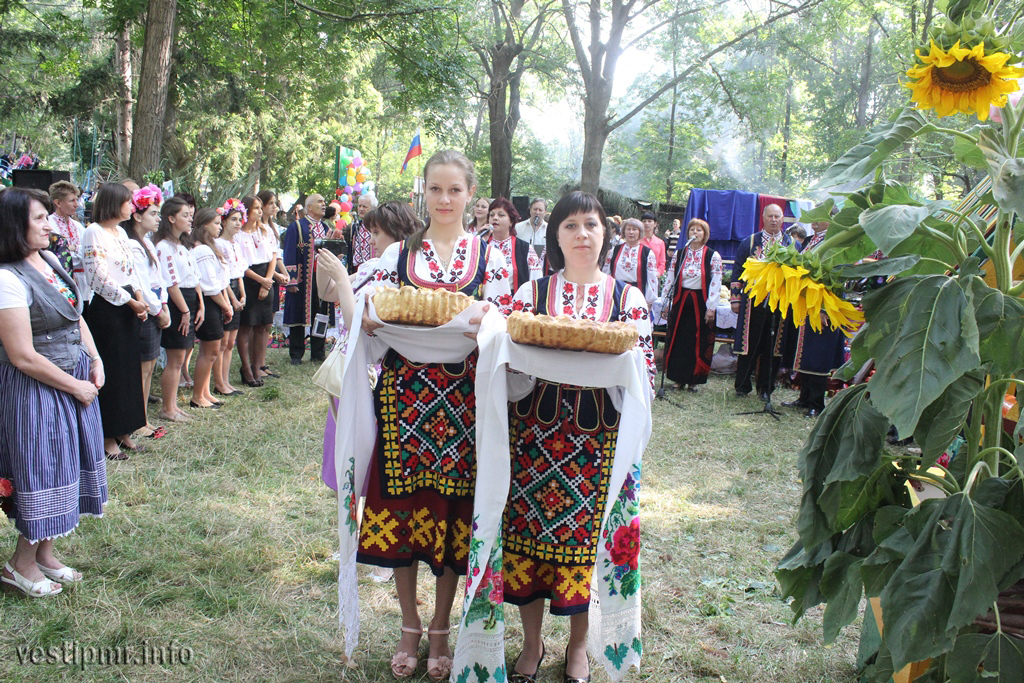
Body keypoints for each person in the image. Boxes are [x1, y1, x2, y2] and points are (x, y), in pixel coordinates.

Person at [358, 150, 511, 680]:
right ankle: (408, 622)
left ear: (471, 195)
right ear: (423, 192)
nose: (444, 200)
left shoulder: (491, 258)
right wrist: (371, 319)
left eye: (455, 190)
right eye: (435, 190)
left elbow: (507, 322)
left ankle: (442, 626)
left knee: (451, 516)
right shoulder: (396, 255)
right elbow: (361, 312)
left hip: (464, 400)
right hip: (403, 397)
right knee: (402, 509)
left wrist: (490, 322)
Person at [501, 191, 653, 683]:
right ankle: (530, 643)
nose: (581, 233)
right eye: (570, 225)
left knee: (586, 549)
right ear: (556, 236)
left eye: (590, 224)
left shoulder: (627, 300)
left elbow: (641, 378)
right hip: (533, 440)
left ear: (604, 234)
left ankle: (579, 647)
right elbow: (508, 373)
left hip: (596, 447)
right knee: (525, 546)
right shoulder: (529, 296)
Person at [0, 187, 107, 597]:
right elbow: (22, 355)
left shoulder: (46, 259)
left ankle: (45, 554)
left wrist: (94, 359)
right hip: (37, 387)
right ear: (15, 226)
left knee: (67, 464)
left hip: (70, 379)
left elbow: (75, 318)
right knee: (42, 469)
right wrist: (75, 385)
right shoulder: (8, 278)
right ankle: (19, 565)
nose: (50, 225)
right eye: (40, 218)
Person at [81, 182, 150, 459]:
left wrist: (139, 298)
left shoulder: (121, 232)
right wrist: (129, 300)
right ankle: (108, 436)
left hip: (128, 306)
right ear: (113, 202)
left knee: (128, 371)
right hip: (107, 309)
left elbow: (131, 270)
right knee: (112, 371)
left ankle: (125, 430)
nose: (131, 206)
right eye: (127, 201)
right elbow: (97, 276)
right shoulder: (93, 232)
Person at [782, 222, 845, 417]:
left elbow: (837, 277)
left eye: (820, 216)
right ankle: (804, 397)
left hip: (824, 306)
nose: (814, 221)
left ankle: (817, 404)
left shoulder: (836, 242)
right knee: (806, 353)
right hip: (807, 305)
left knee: (819, 355)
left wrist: (825, 308)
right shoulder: (809, 241)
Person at [124, 184, 171, 439]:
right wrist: (157, 309)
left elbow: (158, 278)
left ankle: (142, 417)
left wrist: (163, 304)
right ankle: (137, 420)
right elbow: (140, 281)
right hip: (145, 311)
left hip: (156, 308)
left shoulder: (148, 243)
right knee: (142, 369)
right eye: (153, 213)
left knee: (150, 366)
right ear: (137, 215)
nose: (158, 218)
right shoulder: (132, 245)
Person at [731, 203, 792, 399]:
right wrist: (735, 299)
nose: (774, 220)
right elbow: (737, 271)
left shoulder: (791, 244)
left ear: (782, 219)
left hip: (780, 302)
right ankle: (742, 386)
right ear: (763, 219)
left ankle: (765, 389)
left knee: (773, 346)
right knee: (749, 343)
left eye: (777, 216)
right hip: (752, 301)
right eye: (770, 216)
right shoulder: (749, 243)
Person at [154, 197, 203, 423]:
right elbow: (171, 282)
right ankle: (167, 408)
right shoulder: (163, 247)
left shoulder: (181, 246)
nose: (189, 218)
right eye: (185, 215)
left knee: (182, 356)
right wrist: (184, 311)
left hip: (189, 300)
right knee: (175, 358)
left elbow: (193, 278)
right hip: (177, 302)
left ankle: (173, 405)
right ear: (171, 219)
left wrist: (199, 305)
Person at [662, 218, 722, 391]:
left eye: (699, 230)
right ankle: (677, 378)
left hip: (701, 303)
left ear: (705, 235)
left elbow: (716, 283)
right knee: (679, 339)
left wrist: (711, 307)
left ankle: (694, 379)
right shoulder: (679, 254)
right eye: (692, 230)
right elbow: (670, 279)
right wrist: (666, 302)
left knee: (698, 340)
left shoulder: (712, 255)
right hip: (681, 301)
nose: (695, 233)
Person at [237, 195, 285, 382]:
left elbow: (273, 256)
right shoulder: (239, 235)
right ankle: (246, 367)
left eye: (259, 207)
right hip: (249, 278)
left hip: (266, 276)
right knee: (246, 325)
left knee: (263, 325)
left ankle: (258, 367)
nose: (259, 211)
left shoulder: (265, 231)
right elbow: (240, 264)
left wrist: (267, 280)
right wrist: (260, 280)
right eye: (255, 208)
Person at [190, 208, 233, 409]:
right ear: (205, 225)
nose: (219, 227)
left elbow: (220, 280)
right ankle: (198, 395)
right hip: (209, 302)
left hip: (215, 301)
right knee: (209, 351)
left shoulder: (210, 247)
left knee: (212, 351)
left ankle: (205, 392)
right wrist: (226, 306)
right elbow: (210, 285)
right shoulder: (202, 250)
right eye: (216, 223)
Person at [283, 194, 333, 365]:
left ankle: (318, 352)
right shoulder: (297, 226)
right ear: (309, 207)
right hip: (303, 280)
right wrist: (291, 280)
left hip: (322, 279)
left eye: (324, 202)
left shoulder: (326, 228)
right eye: (320, 202)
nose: (324, 205)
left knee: (321, 315)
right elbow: (289, 253)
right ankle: (296, 353)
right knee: (298, 314)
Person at [214, 205, 246, 397]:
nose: (237, 223)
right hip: (226, 290)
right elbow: (223, 276)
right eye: (233, 219)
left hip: (236, 287)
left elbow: (239, 272)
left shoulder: (236, 244)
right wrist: (233, 298)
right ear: (224, 221)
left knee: (230, 341)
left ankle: (226, 380)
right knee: (223, 341)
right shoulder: (219, 244)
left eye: (239, 219)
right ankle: (219, 382)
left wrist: (243, 294)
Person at [484, 197, 541, 292]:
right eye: (492, 215)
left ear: (511, 221)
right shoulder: (481, 246)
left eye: (501, 215)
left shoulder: (525, 249)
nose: (495, 218)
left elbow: (536, 281)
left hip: (515, 303)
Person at [604, 217, 658, 306]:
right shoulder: (615, 250)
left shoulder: (647, 253)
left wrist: (649, 300)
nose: (631, 232)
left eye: (634, 229)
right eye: (628, 229)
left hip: (637, 293)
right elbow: (606, 272)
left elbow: (652, 278)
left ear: (640, 232)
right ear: (624, 232)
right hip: (616, 292)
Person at [46, 180, 87, 297]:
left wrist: (74, 248)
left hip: (82, 280)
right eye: (72, 200)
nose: (76, 204)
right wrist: (74, 249)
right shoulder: (50, 223)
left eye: (77, 200)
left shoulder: (77, 225)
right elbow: (57, 251)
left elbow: (87, 249)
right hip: (63, 279)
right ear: (58, 203)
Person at [345, 193, 379, 274]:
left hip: (373, 268)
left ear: (373, 208)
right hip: (355, 268)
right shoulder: (355, 226)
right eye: (359, 206)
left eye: (364, 206)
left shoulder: (379, 226)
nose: (361, 209)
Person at [639, 211, 667, 276]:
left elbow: (662, 262)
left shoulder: (660, 243)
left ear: (655, 224)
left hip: (655, 276)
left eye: (649, 221)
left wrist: (657, 273)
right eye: (644, 221)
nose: (646, 223)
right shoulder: (637, 241)